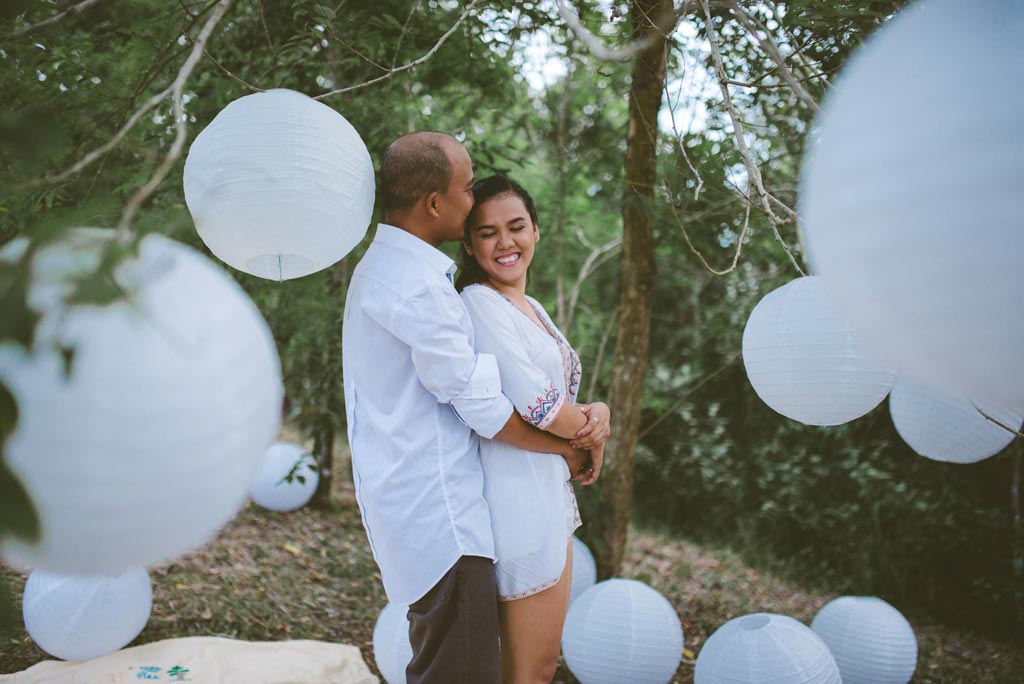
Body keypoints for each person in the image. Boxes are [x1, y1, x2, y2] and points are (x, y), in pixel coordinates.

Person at [342, 132, 594, 684]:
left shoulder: (395, 272)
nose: (470, 193)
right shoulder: (421, 289)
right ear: (436, 204)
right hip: (441, 518)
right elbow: (485, 408)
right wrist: (572, 448)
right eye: (465, 186)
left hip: (429, 511)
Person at [456, 175, 611, 684]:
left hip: (547, 496)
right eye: (487, 232)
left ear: (536, 231)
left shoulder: (530, 307)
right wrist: (590, 433)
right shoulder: (480, 303)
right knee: (531, 671)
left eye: (516, 227)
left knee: (532, 668)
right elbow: (540, 404)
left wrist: (598, 412)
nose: (505, 243)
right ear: (468, 242)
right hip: (515, 500)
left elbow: (558, 393)